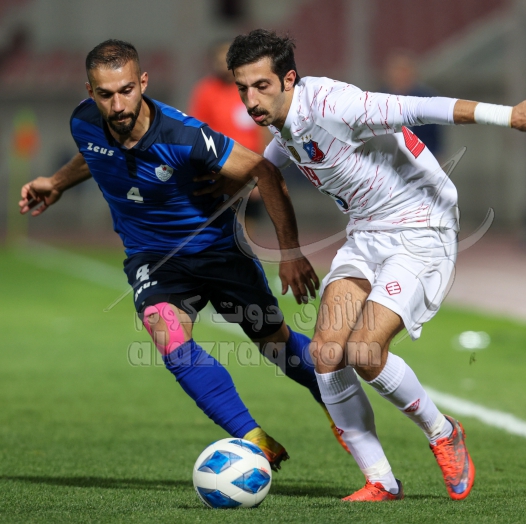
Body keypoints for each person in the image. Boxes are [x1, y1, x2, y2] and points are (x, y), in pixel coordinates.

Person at [226, 29, 526, 501]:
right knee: (326, 354)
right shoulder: (280, 119)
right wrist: (257, 217)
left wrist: (509, 115)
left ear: (288, 79)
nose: (251, 100)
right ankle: (381, 481)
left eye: (261, 86)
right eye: (242, 88)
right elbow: (268, 166)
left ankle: (442, 432)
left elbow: (422, 107)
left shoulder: (335, 104)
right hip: (366, 232)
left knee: (366, 352)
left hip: (422, 226)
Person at [18, 39, 349, 471]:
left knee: (277, 347)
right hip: (152, 258)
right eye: (105, 94)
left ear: (143, 82)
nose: (117, 105)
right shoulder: (84, 121)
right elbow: (94, 154)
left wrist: (290, 253)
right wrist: (56, 182)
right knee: (167, 332)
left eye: (126, 91)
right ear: (90, 91)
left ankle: (336, 404)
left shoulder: (183, 135)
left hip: (218, 251)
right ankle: (253, 438)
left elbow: (265, 172)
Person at [188, 39, 269, 224]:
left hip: (250, 167)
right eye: (219, 59)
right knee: (221, 223)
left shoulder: (252, 90)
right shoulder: (205, 91)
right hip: (218, 167)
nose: (223, 64)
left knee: (248, 224)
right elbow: (198, 133)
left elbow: (263, 130)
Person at [381, 49, 442, 157]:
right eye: (397, 70)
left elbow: (435, 138)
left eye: (405, 71)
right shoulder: (379, 100)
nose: (401, 75)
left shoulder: (427, 100)